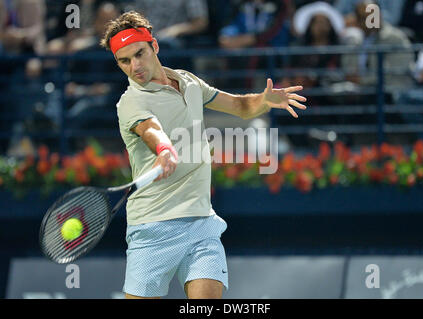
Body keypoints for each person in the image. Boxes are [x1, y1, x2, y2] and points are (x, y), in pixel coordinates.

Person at [99, 11, 307, 299]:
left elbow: (240, 107)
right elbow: (151, 130)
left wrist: (265, 100)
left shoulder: (188, 82)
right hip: (152, 227)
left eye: (139, 54)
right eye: (124, 60)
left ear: (154, 46)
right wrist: (164, 149)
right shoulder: (131, 102)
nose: (135, 66)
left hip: (201, 223)